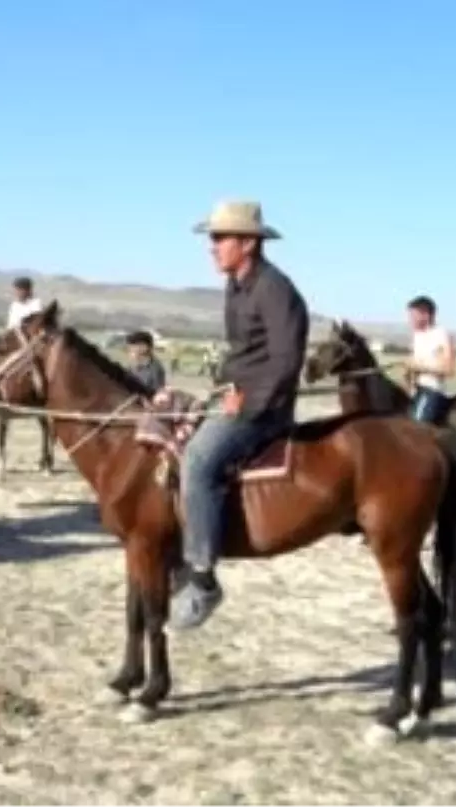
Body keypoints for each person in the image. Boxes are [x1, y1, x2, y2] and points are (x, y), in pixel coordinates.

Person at [170, 201, 310, 631]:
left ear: (247, 243)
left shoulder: (274, 289)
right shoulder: (236, 285)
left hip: (265, 410)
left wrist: (245, 404)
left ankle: (203, 577)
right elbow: (242, 355)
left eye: (218, 238)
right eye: (210, 238)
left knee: (198, 458)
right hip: (237, 396)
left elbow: (287, 362)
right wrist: (208, 395)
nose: (211, 248)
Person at [404, 295, 456, 424]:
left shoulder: (442, 335)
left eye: (413, 316)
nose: (409, 320)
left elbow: (450, 369)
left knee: (415, 430)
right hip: (416, 391)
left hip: (431, 390)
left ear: (426, 315)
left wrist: (419, 367)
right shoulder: (417, 336)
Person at [125, 330, 167, 394]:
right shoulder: (132, 366)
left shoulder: (155, 368)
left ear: (144, 347)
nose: (131, 349)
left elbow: (156, 393)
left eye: (134, 346)